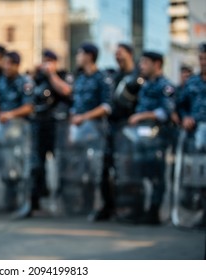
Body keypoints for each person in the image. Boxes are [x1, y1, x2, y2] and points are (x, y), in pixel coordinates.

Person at [93, 43, 142, 221]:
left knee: (129, 170)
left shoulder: (138, 77)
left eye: (120, 53)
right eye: (115, 54)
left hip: (130, 130)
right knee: (105, 168)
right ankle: (109, 206)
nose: (117, 57)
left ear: (129, 54)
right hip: (112, 129)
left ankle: (131, 208)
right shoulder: (113, 76)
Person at [128, 51, 175, 225]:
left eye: (145, 62)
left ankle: (154, 211)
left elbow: (166, 112)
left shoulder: (165, 85)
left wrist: (141, 116)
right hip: (141, 138)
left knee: (156, 175)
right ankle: (142, 209)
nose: (141, 66)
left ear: (157, 64)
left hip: (157, 138)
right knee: (142, 173)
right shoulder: (145, 85)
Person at [69, 42, 112, 218]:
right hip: (80, 134)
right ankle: (85, 205)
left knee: (98, 172)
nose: (77, 57)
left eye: (80, 53)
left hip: (96, 133)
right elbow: (75, 105)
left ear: (89, 56)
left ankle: (104, 207)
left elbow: (106, 107)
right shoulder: (80, 78)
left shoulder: (102, 78)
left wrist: (84, 117)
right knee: (82, 171)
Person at [30, 49, 73, 213]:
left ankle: (62, 199)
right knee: (37, 164)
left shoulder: (61, 75)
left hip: (57, 127)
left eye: (50, 60)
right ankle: (37, 198)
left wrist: (52, 74)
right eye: (44, 60)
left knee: (61, 163)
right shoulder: (38, 78)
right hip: (40, 125)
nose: (46, 64)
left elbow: (66, 90)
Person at [0, 51, 34, 212]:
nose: (6, 67)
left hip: (20, 133)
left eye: (9, 63)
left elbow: (29, 107)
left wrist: (10, 114)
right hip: (3, 133)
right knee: (4, 167)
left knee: (19, 169)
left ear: (17, 65)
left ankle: (23, 204)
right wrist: (0, 114)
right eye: (5, 63)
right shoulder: (1, 81)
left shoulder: (25, 82)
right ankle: (8, 203)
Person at [175, 42, 206, 228]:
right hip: (196, 138)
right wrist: (185, 117)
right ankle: (202, 213)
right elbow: (181, 105)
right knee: (198, 178)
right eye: (201, 58)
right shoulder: (192, 82)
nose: (203, 62)